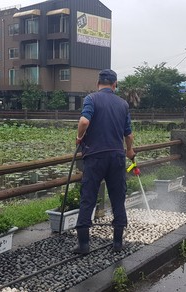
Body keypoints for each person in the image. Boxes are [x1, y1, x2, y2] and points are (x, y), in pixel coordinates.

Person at [73, 69, 135, 254]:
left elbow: (84, 121)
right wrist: (130, 151)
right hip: (116, 157)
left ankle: (83, 244)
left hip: (95, 157)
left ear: (98, 83)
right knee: (118, 197)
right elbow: (129, 134)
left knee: (88, 197)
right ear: (115, 84)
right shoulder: (123, 104)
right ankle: (117, 243)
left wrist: (79, 137)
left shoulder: (91, 99)